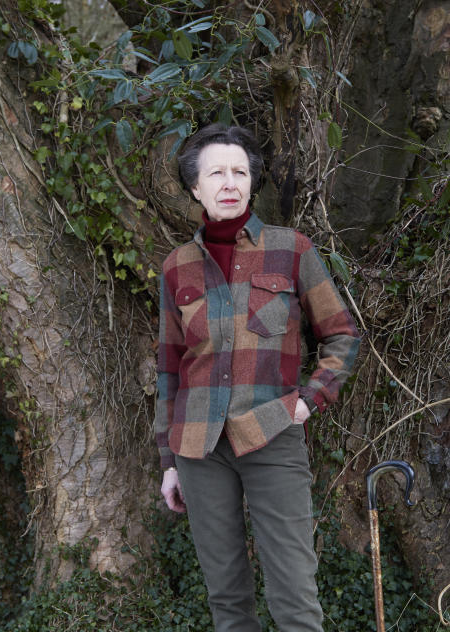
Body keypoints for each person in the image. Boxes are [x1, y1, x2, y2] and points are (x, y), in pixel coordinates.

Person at [154, 123, 361, 631]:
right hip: (198, 447)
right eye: (217, 172)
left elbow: (341, 335)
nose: (230, 182)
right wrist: (168, 462)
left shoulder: (291, 250)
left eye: (240, 172)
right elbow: (168, 368)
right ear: (196, 188)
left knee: (294, 595)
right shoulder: (177, 267)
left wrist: (309, 401)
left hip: (272, 432)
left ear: (252, 183)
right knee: (226, 598)